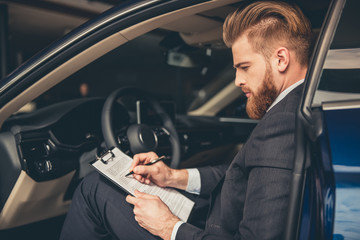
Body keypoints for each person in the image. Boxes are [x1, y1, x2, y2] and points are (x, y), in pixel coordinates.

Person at [60, 1, 312, 239]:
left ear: (281, 59)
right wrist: (172, 176)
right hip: (216, 219)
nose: (237, 80)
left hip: (210, 230)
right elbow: (244, 175)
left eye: (244, 67)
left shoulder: (283, 126)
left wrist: (169, 227)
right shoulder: (300, 108)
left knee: (92, 189)